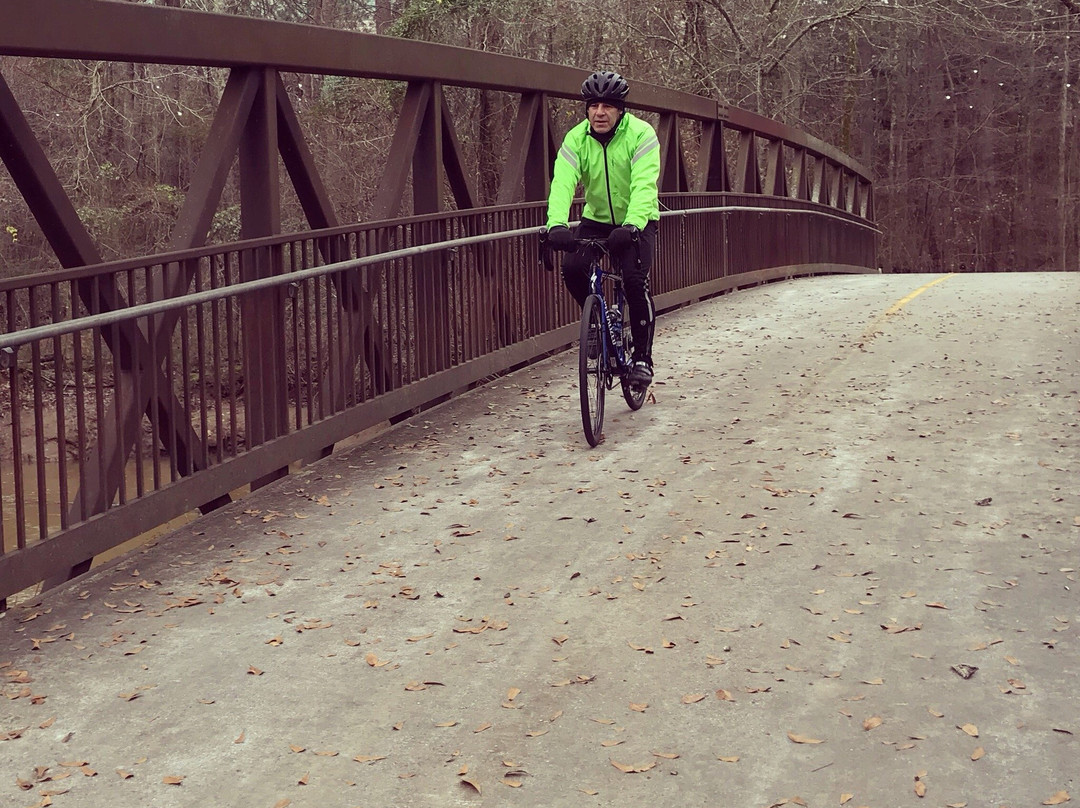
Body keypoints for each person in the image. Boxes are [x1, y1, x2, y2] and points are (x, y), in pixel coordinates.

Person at [545, 69, 661, 386]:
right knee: (571, 267)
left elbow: (644, 185)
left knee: (635, 282)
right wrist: (555, 224)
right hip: (596, 219)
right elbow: (563, 184)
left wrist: (633, 224)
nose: (599, 112)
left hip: (637, 220)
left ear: (620, 109)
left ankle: (642, 359)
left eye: (607, 106)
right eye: (593, 105)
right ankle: (595, 322)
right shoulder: (576, 139)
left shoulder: (641, 134)